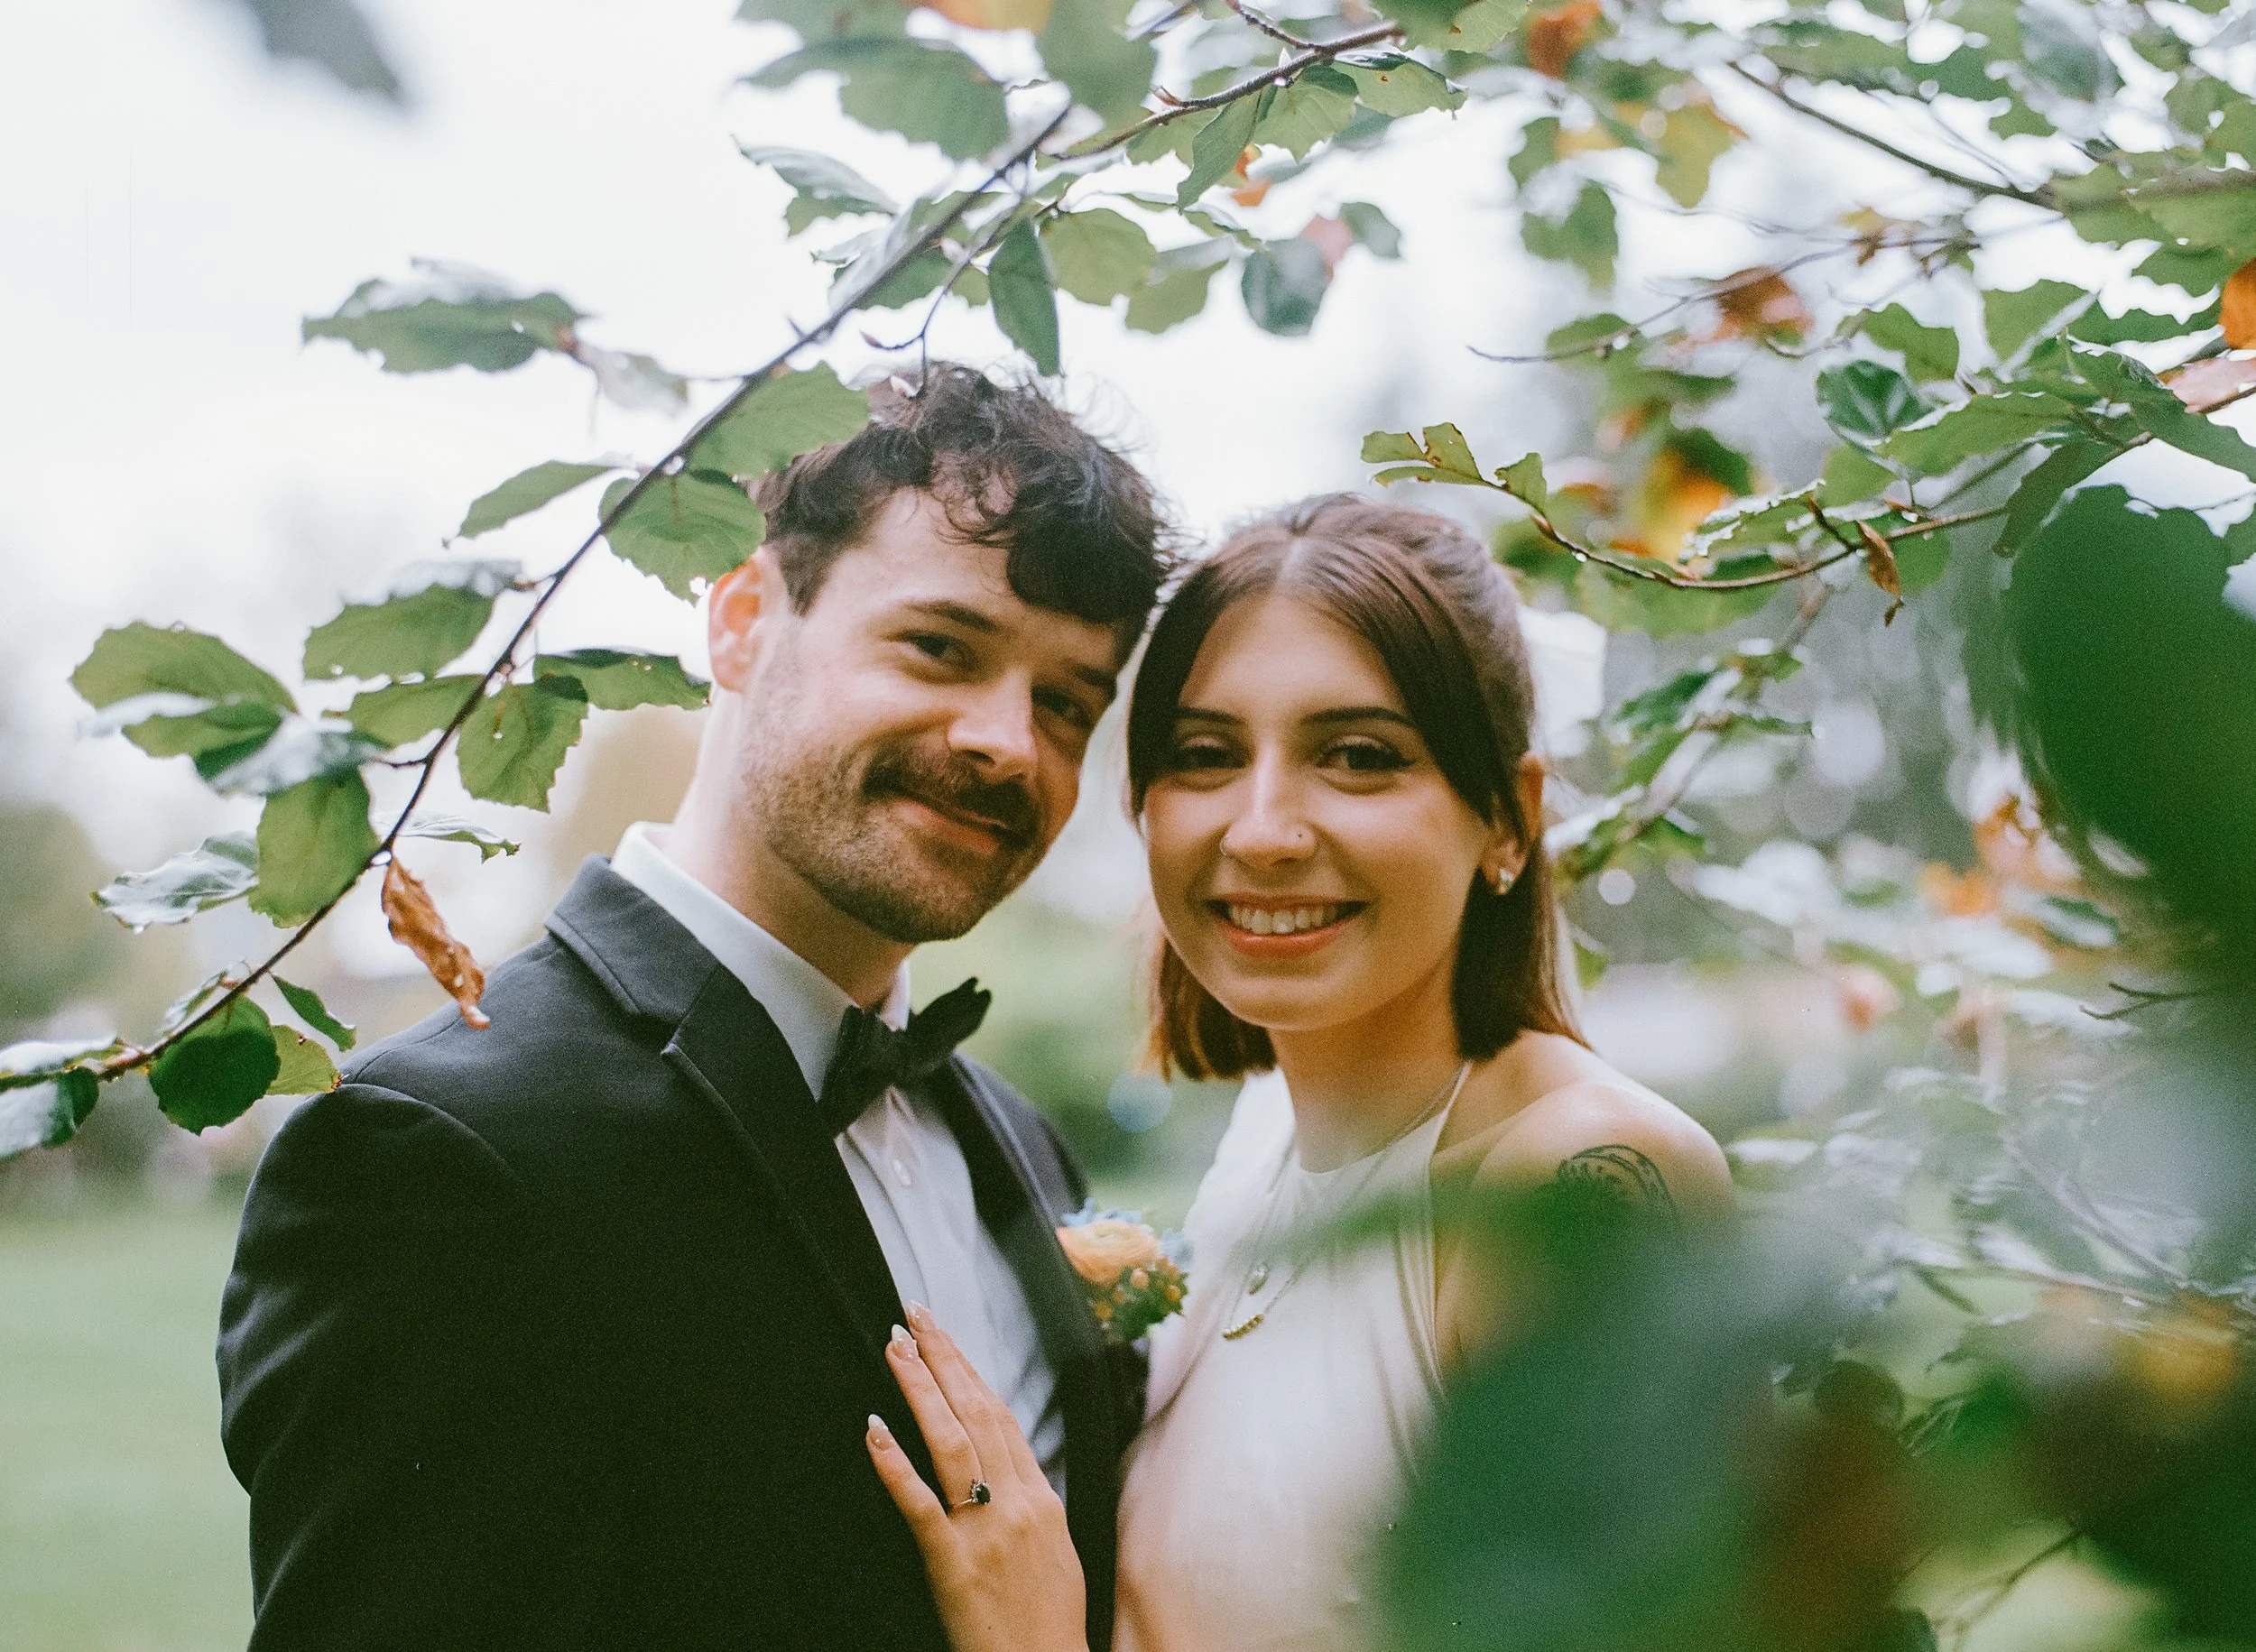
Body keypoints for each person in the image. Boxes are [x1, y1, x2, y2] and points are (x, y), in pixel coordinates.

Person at [216, 365, 1170, 1651]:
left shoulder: (1021, 1142)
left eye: (1067, 702)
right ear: (740, 619)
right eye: (941, 646)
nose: (1009, 740)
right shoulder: (435, 1158)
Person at [864, 494, 1734, 1652]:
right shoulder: (1263, 1140)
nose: (1264, 828)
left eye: (1357, 756)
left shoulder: (1579, 1187)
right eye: (1205, 755)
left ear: (1507, 823)